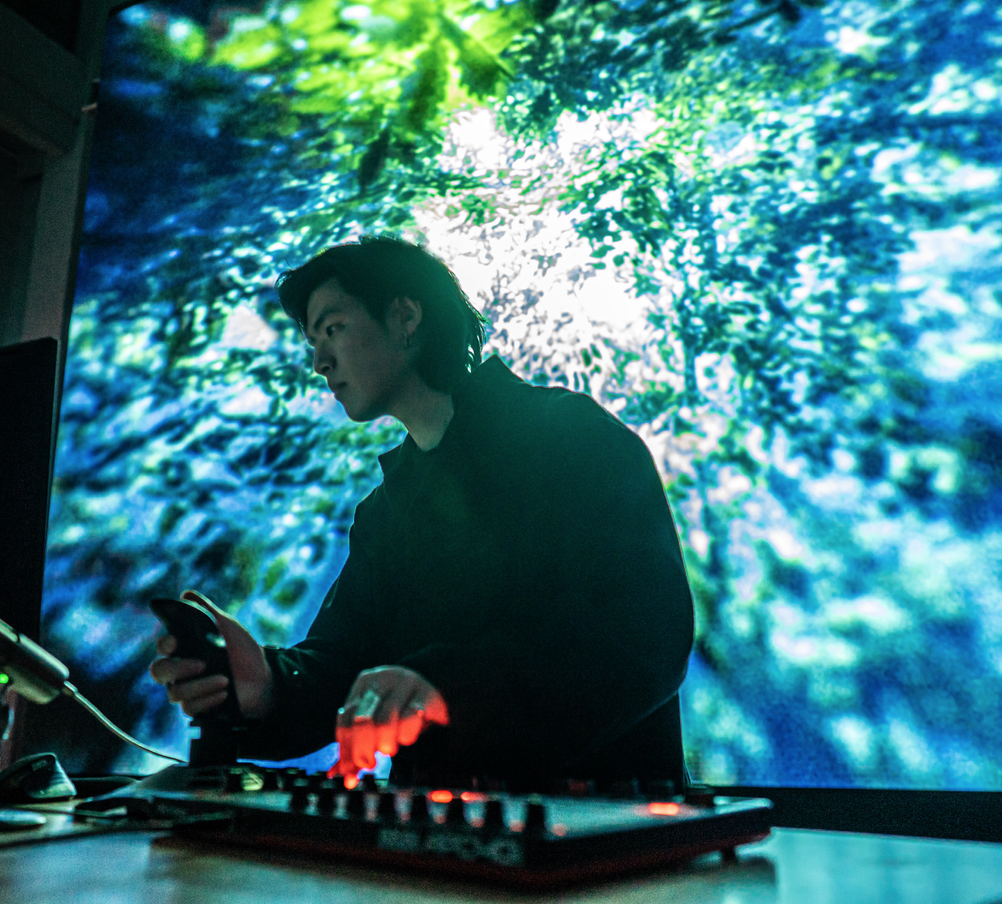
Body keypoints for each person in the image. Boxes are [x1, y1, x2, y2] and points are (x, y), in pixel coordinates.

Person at [150, 238, 693, 792]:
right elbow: (345, 668)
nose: (319, 362)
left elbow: (647, 633)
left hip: (614, 828)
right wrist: (267, 684)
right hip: (432, 836)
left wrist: (445, 687)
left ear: (405, 317)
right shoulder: (383, 515)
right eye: (313, 342)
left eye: (333, 328)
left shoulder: (574, 436)